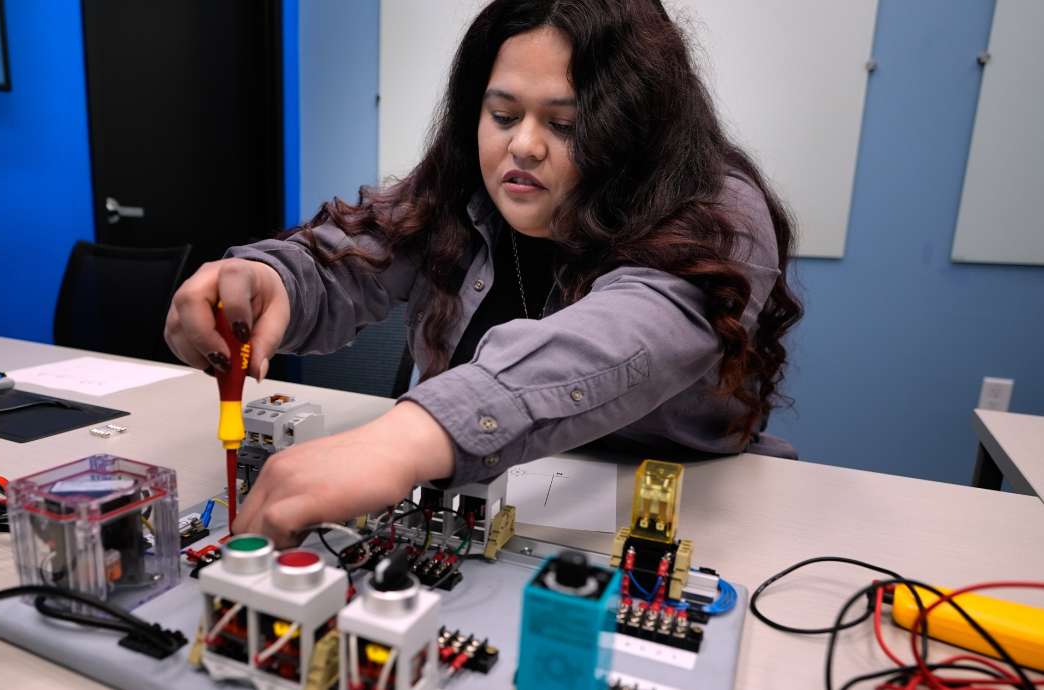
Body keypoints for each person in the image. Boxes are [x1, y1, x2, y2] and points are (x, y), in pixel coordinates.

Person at [164, 0, 802, 546]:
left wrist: (410, 437)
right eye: (502, 115)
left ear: (637, 131)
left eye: (565, 124)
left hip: (668, 525)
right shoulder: (462, 184)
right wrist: (271, 278)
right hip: (474, 513)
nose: (522, 145)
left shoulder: (721, 210)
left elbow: (633, 331)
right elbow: (347, 259)